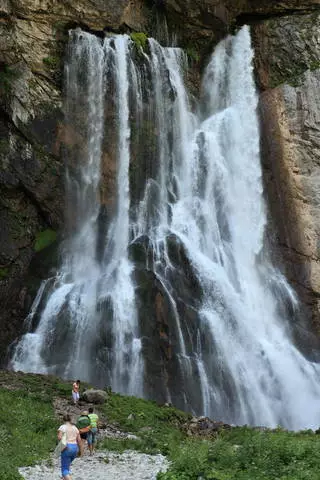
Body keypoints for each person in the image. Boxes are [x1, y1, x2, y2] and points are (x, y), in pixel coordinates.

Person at [57, 414, 82, 480]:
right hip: (75, 448)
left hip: (67, 447)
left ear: (63, 420)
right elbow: (79, 440)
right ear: (70, 420)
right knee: (67, 466)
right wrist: (80, 450)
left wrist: (64, 444)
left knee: (64, 470)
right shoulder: (75, 428)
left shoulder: (62, 427)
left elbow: (59, 437)